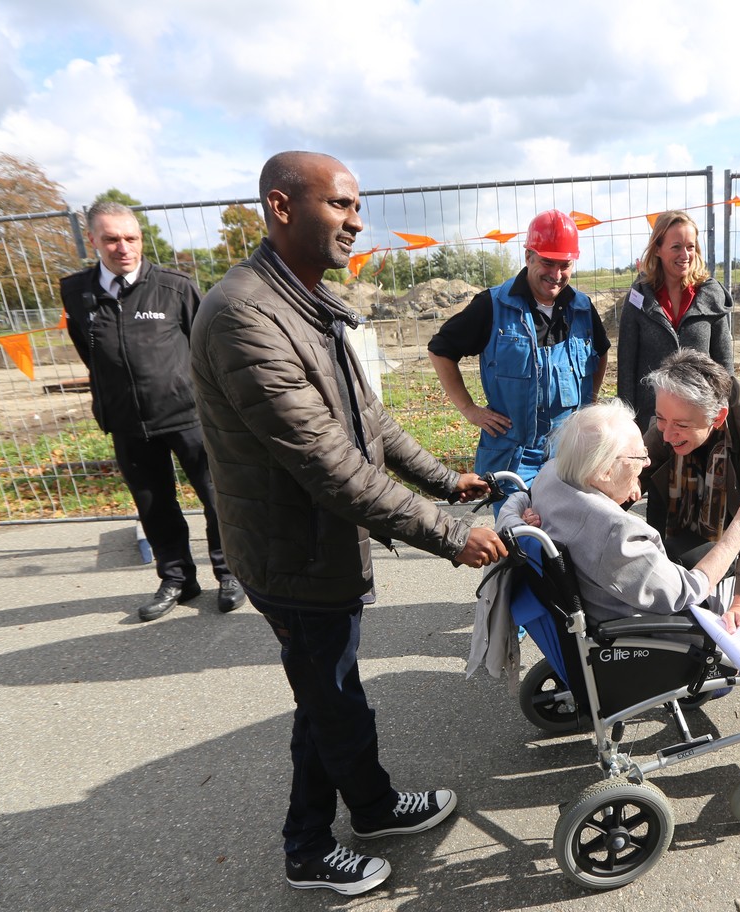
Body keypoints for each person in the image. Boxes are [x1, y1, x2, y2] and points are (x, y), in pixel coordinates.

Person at [189, 151, 507, 897]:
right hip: (292, 553)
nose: (357, 221)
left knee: (330, 692)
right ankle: (306, 848)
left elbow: (368, 418)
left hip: (319, 542)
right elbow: (329, 463)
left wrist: (445, 480)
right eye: (339, 204)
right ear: (281, 207)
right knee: (329, 702)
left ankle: (371, 806)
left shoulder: (307, 300)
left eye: (357, 205)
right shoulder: (244, 316)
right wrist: (450, 532)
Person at [496, 401, 740, 737]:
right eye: (638, 456)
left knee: (697, 550)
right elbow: (686, 592)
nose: (647, 462)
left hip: (594, 602)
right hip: (639, 634)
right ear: (604, 471)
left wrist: (520, 517)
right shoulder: (616, 532)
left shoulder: (552, 475)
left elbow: (516, 501)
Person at [59, 200, 244, 621]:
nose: (123, 247)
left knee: (217, 498)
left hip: (188, 415)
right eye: (111, 239)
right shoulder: (76, 292)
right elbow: (89, 351)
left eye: (131, 238)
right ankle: (177, 579)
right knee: (154, 506)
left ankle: (230, 572)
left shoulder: (175, 287)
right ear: (92, 240)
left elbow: (209, 345)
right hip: (127, 421)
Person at [427, 210, 610, 507]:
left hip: (569, 452)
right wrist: (469, 409)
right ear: (528, 256)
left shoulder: (582, 308)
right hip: (513, 457)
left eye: (565, 265)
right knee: (519, 530)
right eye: (547, 262)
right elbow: (440, 350)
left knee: (569, 529)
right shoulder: (492, 305)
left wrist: (591, 399)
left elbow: (600, 352)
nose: (556, 274)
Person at [617, 210, 733, 431]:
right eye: (676, 247)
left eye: (690, 246)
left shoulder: (711, 295)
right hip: (652, 422)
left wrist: (725, 410)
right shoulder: (639, 297)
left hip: (700, 422)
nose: (685, 255)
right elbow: (626, 366)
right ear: (658, 249)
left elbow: (724, 362)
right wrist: (627, 421)